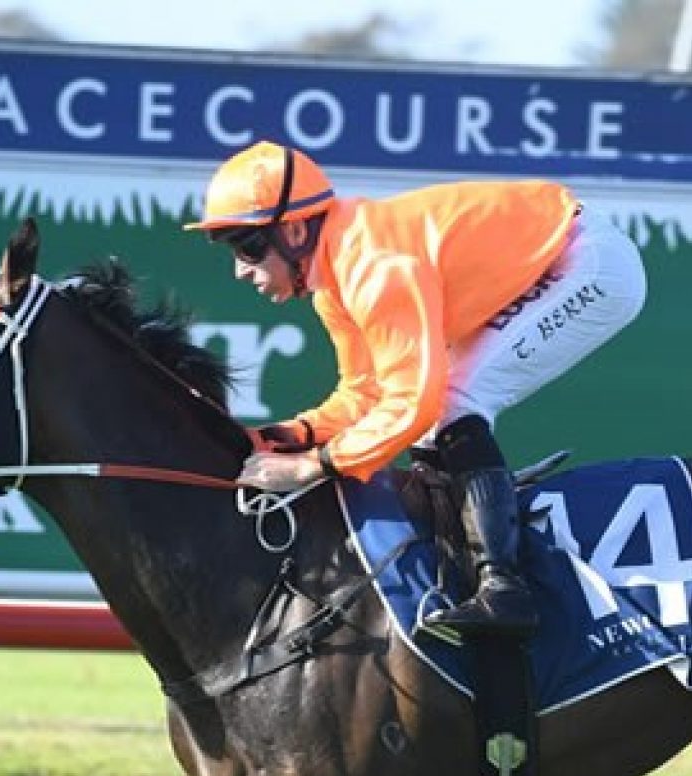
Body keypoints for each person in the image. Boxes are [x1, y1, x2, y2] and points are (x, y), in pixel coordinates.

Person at [184, 140, 649, 637]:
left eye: (248, 247)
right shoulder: (335, 281)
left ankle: (504, 590)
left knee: (452, 403)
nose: (241, 269)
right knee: (439, 419)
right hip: (554, 259)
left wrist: (315, 465)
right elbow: (366, 393)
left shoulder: (373, 268)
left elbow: (416, 402)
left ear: (296, 230)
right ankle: (465, 572)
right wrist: (297, 432)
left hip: (588, 262)